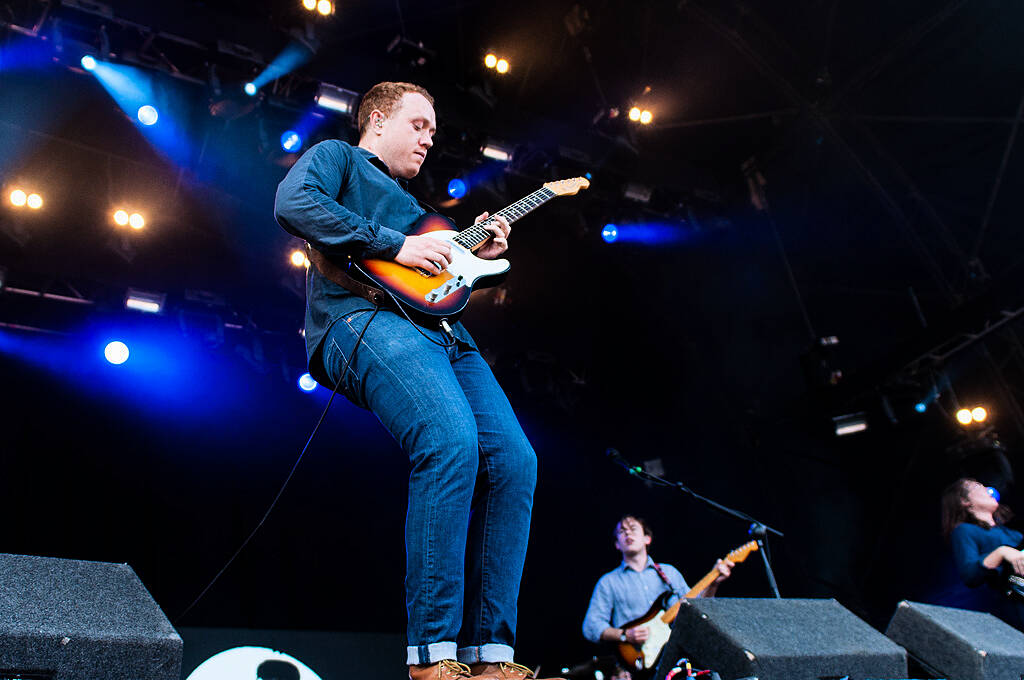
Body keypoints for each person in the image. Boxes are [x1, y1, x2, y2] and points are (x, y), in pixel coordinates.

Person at [274, 82, 558, 680]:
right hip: (363, 319)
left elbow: (449, 278)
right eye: (420, 124)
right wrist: (398, 245)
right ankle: (433, 657)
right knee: (449, 440)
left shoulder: (420, 208)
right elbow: (294, 203)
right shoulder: (338, 158)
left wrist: (479, 250)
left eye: (435, 129)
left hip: (447, 338)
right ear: (375, 120)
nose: (431, 138)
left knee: (514, 461)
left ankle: (491, 658)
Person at [581, 516, 732, 679]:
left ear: (647, 538)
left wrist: (713, 583)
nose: (627, 534)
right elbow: (591, 626)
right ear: (617, 544)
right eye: (621, 532)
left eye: (633, 529)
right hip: (637, 665)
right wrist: (624, 634)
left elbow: (697, 611)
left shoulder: (669, 573)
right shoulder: (608, 582)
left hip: (677, 659)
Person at [941, 477, 1024, 630]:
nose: (988, 489)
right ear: (965, 501)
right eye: (978, 486)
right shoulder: (965, 530)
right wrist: (1002, 552)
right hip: (1013, 606)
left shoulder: (1013, 534)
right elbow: (970, 574)